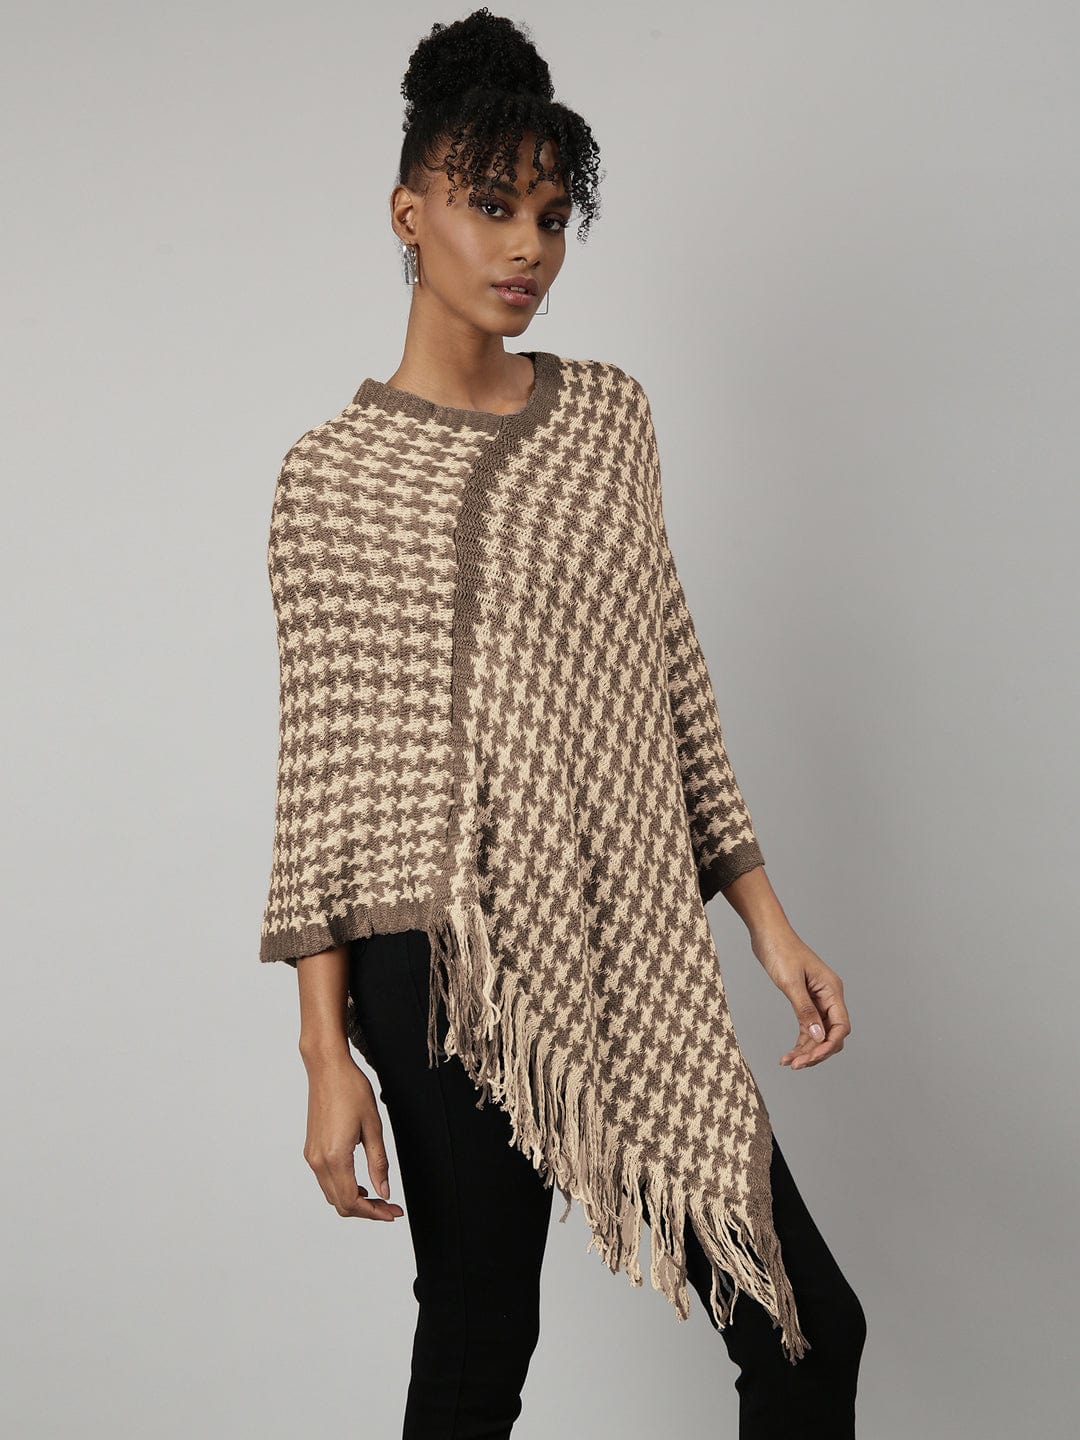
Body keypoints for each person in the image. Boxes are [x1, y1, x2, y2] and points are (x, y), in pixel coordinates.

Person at [259, 9, 867, 1438]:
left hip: (619, 934)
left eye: (549, 214)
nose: (526, 245)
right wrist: (325, 1061)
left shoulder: (608, 421)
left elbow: (671, 679)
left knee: (808, 1334)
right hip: (441, 960)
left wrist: (770, 925)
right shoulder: (329, 480)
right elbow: (320, 785)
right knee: (484, 1342)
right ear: (409, 212)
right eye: (490, 205)